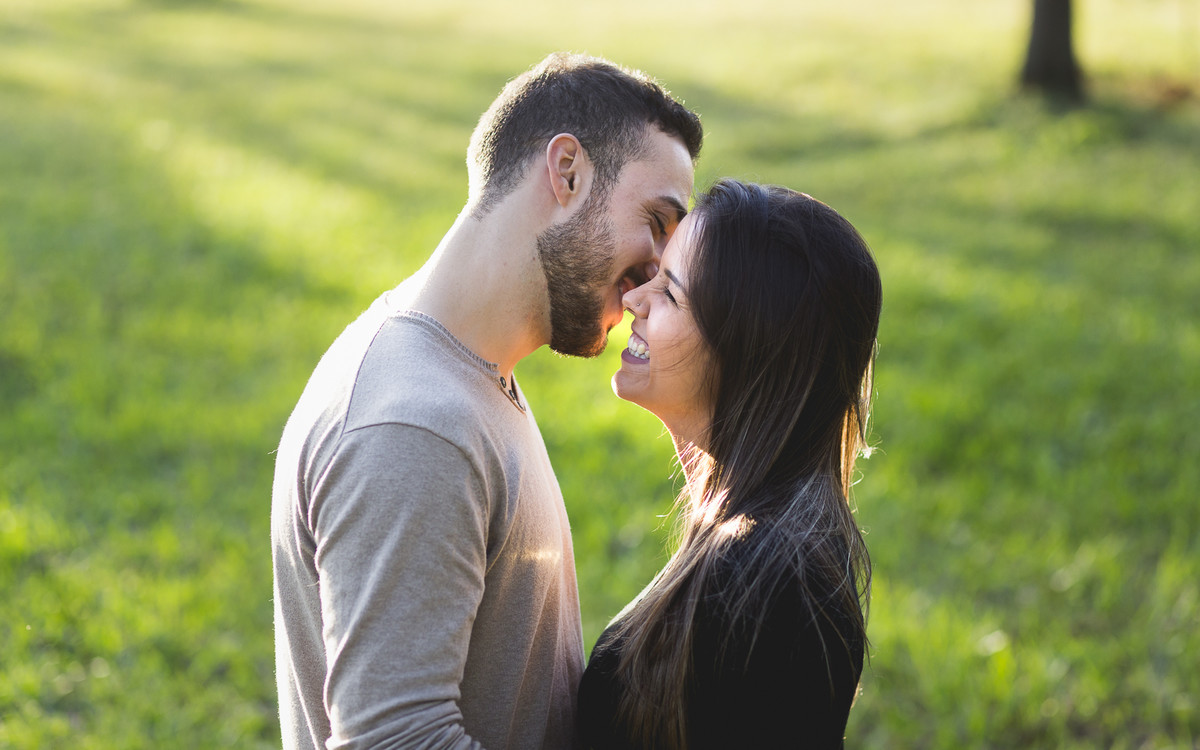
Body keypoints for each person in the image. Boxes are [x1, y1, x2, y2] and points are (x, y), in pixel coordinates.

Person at [271, 52, 702, 750]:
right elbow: (396, 740)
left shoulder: (461, 369)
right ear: (567, 172)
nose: (656, 274)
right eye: (657, 222)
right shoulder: (414, 425)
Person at [576, 179, 881, 749]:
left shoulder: (769, 589)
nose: (634, 301)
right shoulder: (756, 541)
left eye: (669, 293)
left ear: (748, 348)